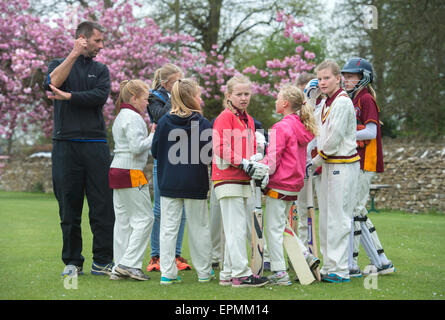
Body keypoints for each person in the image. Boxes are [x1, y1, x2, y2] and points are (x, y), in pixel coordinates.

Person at [44, 21, 115, 277]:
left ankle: (103, 261)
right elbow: (52, 83)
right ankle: (73, 262)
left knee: (103, 207)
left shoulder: (101, 69)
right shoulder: (57, 64)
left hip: (96, 145)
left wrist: (70, 97)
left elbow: (99, 96)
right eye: (97, 41)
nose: (101, 46)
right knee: (69, 208)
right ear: (82, 39)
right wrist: (73, 54)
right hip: (65, 147)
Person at [151, 78, 213, 284]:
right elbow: (209, 154)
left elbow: (155, 151)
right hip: (195, 182)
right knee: (199, 227)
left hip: (169, 182)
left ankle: (167, 273)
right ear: (191, 98)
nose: (201, 97)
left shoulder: (163, 122)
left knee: (168, 228)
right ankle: (204, 272)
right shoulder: (203, 123)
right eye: (198, 94)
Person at [212, 75, 269, 288]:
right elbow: (219, 147)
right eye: (239, 94)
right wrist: (244, 162)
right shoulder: (224, 117)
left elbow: (251, 148)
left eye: (246, 94)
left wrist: (257, 161)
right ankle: (241, 274)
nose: (244, 98)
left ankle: (228, 273)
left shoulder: (249, 119)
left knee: (234, 228)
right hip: (227, 178)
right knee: (235, 228)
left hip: (243, 180)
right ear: (229, 96)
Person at [259, 84, 319, 285]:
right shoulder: (301, 126)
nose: (275, 101)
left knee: (273, 230)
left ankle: (279, 273)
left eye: (277, 98)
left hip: (279, 183)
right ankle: (306, 255)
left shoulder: (280, 127)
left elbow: (272, 160)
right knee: (282, 226)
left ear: (284, 104)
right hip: (294, 184)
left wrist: (258, 167)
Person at [306, 60, 360, 283]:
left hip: (343, 164)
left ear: (338, 78)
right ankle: (330, 266)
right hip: (328, 165)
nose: (322, 82)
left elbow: (334, 139)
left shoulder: (343, 103)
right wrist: (310, 98)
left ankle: (339, 269)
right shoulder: (324, 103)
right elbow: (314, 130)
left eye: (326, 78)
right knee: (327, 217)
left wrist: (315, 161)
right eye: (319, 78)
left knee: (338, 218)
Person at [341, 57, 395, 277]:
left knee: (354, 211)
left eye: (351, 76)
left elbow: (371, 132)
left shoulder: (366, 99)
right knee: (358, 210)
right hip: (356, 161)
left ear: (363, 78)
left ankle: (352, 264)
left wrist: (345, 136)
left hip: (366, 161)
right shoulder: (352, 99)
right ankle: (381, 261)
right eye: (345, 76)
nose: (346, 80)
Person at [145, 64, 192, 272]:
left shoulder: (183, 98)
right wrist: (176, 97)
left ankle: (176, 254)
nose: (180, 86)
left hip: (181, 156)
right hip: (162, 158)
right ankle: (156, 255)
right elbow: (161, 117)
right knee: (159, 210)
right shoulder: (154, 98)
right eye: (175, 82)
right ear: (165, 84)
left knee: (181, 210)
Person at [108, 80, 155, 281]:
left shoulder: (120, 116)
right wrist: (155, 134)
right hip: (132, 172)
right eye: (145, 99)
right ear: (134, 98)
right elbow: (137, 148)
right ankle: (129, 264)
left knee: (123, 222)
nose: (147, 104)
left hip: (117, 170)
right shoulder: (134, 118)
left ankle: (119, 268)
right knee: (145, 219)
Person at [294, 73, 324, 249]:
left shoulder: (324, 106)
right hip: (301, 168)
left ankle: (317, 253)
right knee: (301, 212)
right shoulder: (295, 112)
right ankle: (302, 252)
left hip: (321, 166)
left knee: (325, 214)